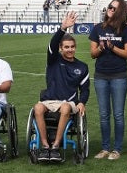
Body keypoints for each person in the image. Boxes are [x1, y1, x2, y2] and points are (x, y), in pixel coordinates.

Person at [34, 11, 89, 162]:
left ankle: (56, 146)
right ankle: (45, 146)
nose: (69, 49)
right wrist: (62, 29)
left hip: (68, 102)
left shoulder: (82, 67)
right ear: (60, 48)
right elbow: (51, 44)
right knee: (37, 108)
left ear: (75, 47)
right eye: (66, 47)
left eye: (72, 47)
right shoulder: (53, 60)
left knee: (65, 108)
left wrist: (82, 102)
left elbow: (85, 89)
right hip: (49, 100)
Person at [89, 0, 127, 161]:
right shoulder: (98, 29)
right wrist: (100, 48)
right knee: (103, 114)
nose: (110, 9)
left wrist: (112, 47)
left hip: (118, 76)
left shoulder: (126, 30)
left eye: (114, 8)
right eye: (109, 7)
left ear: (120, 11)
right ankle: (105, 147)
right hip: (101, 76)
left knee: (118, 114)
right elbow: (92, 54)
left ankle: (117, 149)